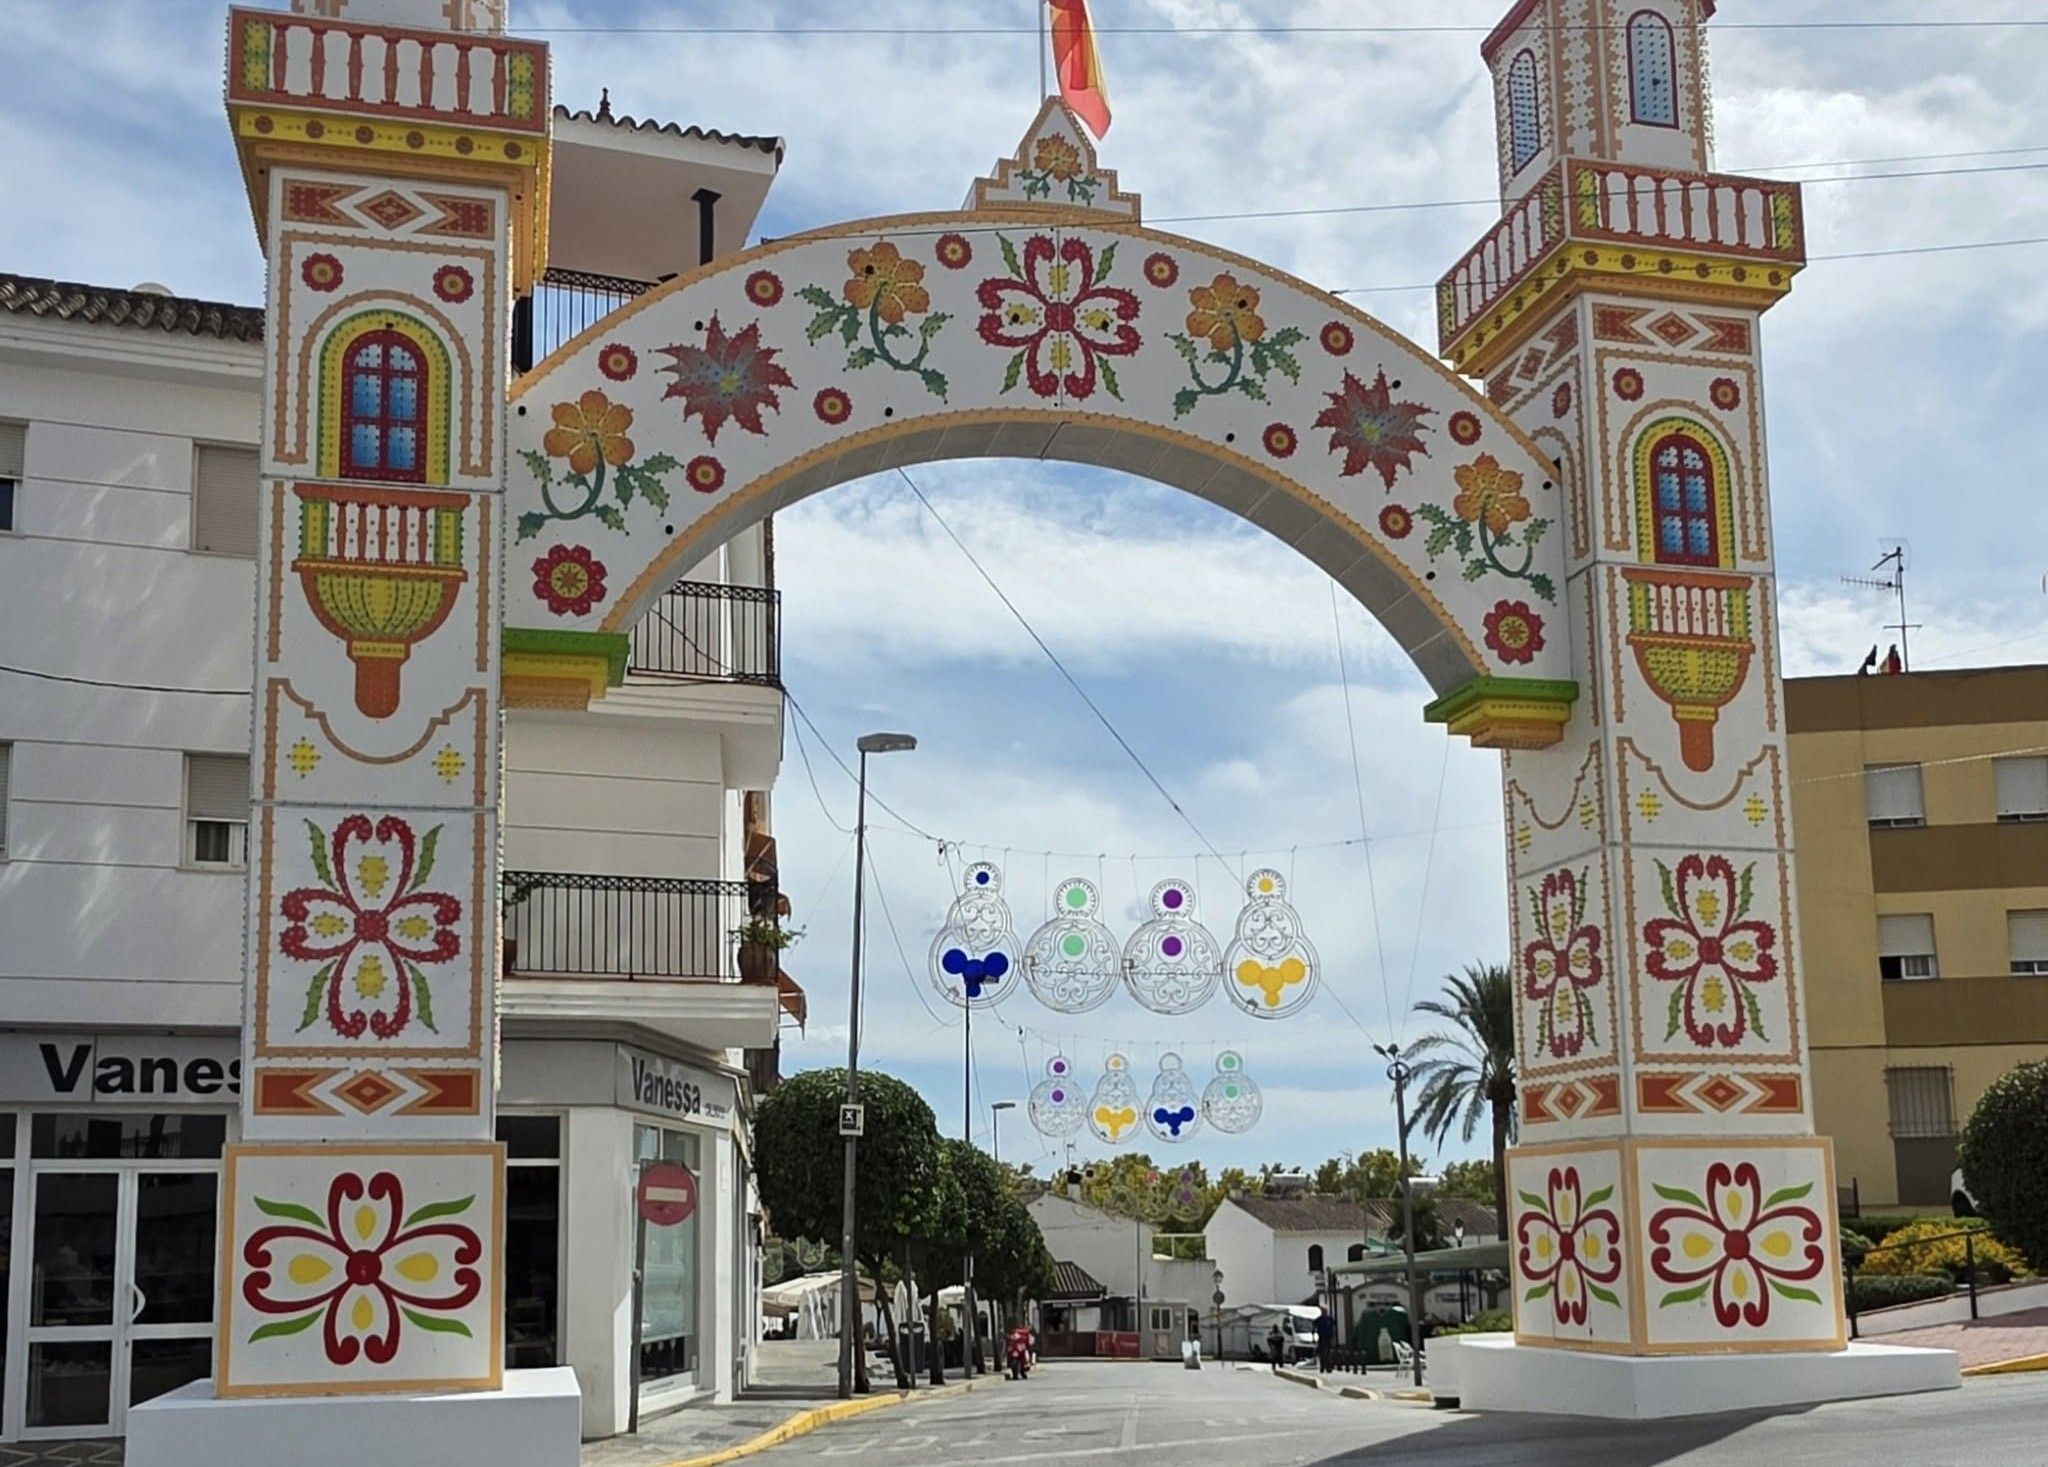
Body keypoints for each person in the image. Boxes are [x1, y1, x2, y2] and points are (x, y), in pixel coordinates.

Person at [1315, 1307, 1336, 1373]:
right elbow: (1314, 1326)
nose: (1324, 1313)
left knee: (1328, 1354)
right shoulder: (1319, 1320)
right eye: (1323, 1311)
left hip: (1329, 1338)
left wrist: (1333, 1337)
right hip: (1321, 1337)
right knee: (1322, 1354)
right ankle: (1322, 1367)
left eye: (1325, 1311)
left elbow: (1334, 1327)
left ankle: (1329, 1368)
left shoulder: (1330, 1319)